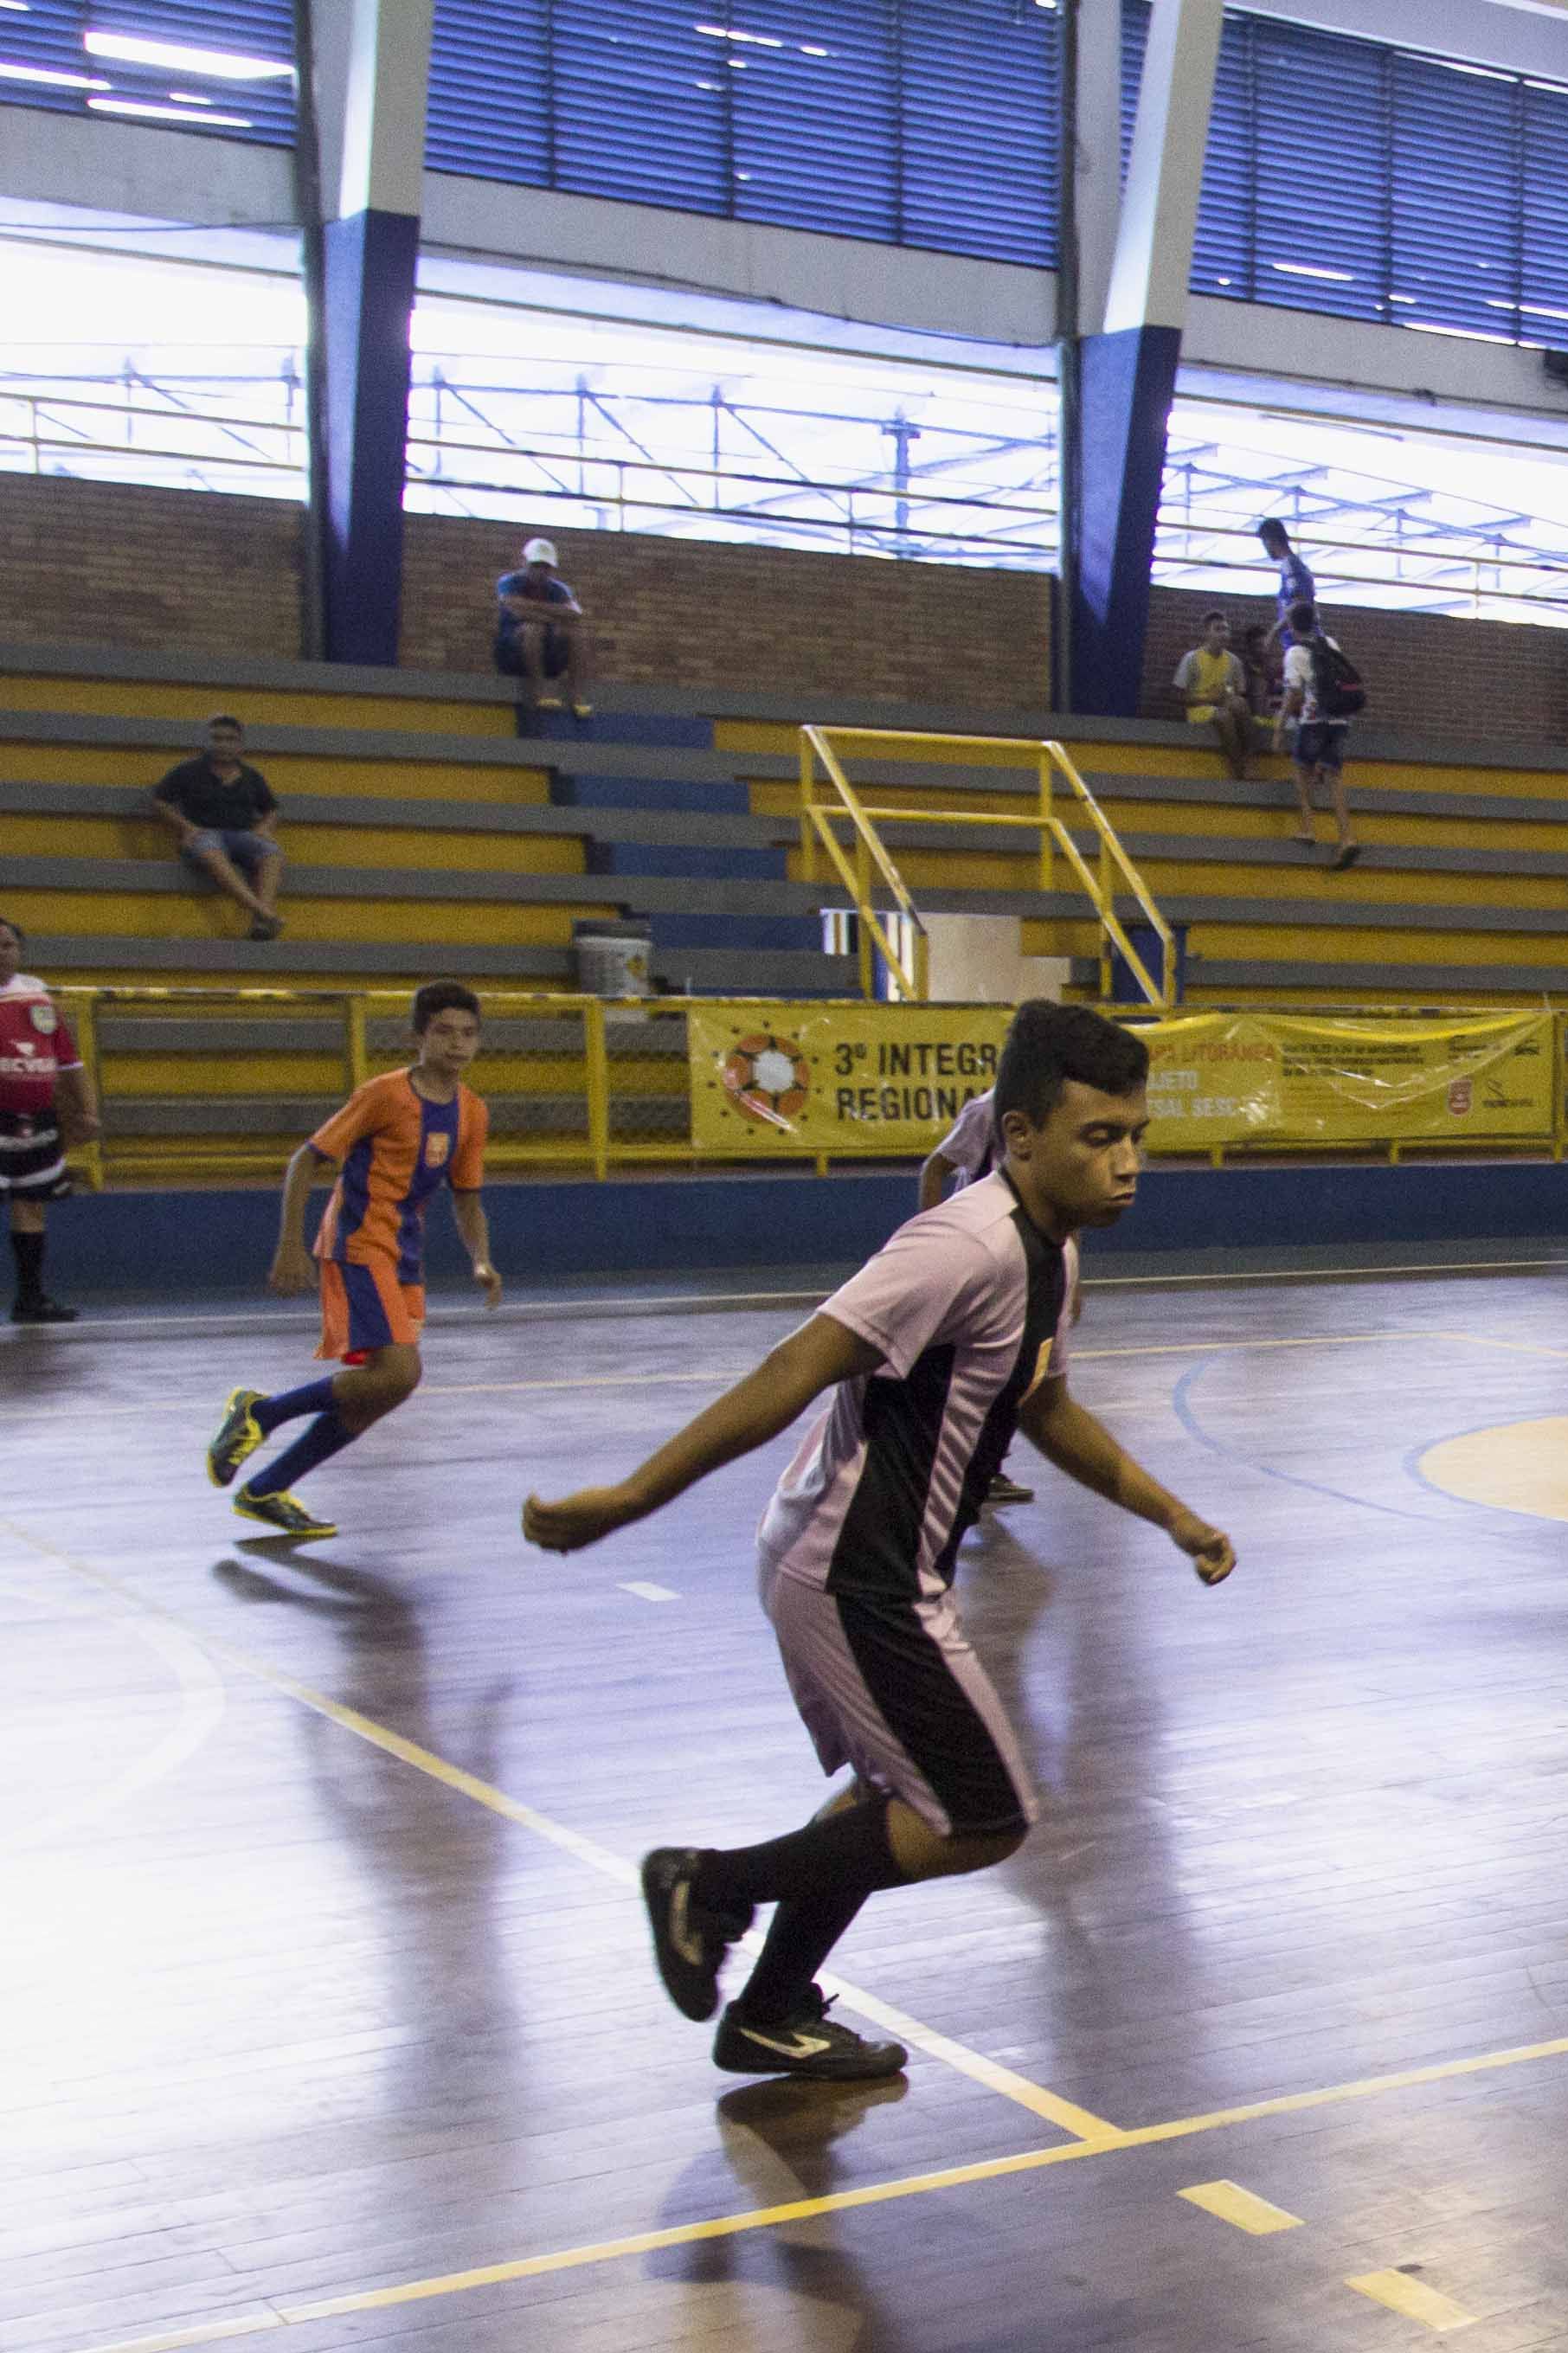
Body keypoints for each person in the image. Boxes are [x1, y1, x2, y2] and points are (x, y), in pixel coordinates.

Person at [518, 1001, 1236, 2086]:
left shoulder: (1055, 1248)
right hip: (852, 1570)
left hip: (880, 1564)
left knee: (895, 1792)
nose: (1127, 1161)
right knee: (983, 1815)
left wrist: (1169, 1513)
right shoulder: (963, 1244)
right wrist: (633, 1498)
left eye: (1136, 1135)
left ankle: (767, 2011)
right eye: (1100, 1137)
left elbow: (1041, 1407)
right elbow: (792, 1368)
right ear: (1022, 1134)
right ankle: (706, 1886)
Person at [207, 983, 504, 1538]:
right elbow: (306, 1160)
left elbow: (467, 1196)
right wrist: (290, 1244)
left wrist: (480, 1259)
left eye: (468, 1033)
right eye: (443, 1031)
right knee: (400, 1370)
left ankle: (266, 1488)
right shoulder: (384, 1095)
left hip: (404, 1253)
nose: (457, 1043)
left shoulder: (473, 1112)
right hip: (357, 1243)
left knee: (389, 1387)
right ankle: (258, 1413)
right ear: (417, 1036)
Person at [916, 1090, 1034, 1504]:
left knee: (1020, 1373)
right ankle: (948, 1472)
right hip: (982, 1253)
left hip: (1027, 1256)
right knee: (970, 1372)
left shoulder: (1058, 1108)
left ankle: (986, 1471)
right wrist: (932, 1244)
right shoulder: (988, 1110)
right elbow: (935, 1169)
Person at [0, 914, 100, 1322]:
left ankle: (30, 1299)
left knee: (30, 1207)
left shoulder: (39, 999)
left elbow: (70, 1062)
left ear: (20, 951)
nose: (1, 953)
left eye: (7, 945)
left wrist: (88, 1111)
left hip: (36, 1124)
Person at [151, 715, 286, 942]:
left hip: (242, 835)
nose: (223, 744)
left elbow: (272, 809)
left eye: (230, 739)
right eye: (217, 738)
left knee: (272, 853)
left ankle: (262, 917)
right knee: (211, 851)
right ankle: (264, 913)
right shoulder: (189, 771)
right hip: (205, 833)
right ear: (208, 741)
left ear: (240, 744)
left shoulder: (251, 776)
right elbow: (159, 801)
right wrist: (186, 828)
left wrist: (264, 829)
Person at [1282, 623, 1365, 870]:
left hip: (1314, 719)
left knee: (1300, 768)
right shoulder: (1329, 643)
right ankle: (1347, 838)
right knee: (1334, 778)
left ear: (1292, 628)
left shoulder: (1294, 652)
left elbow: (1295, 694)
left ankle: (1307, 827)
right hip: (1340, 719)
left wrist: (1279, 728)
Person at [498, 539, 593, 719]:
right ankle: (539, 690)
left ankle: (577, 694)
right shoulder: (510, 582)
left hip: (548, 651)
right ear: (525, 563)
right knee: (534, 629)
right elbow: (516, 611)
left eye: (545, 567)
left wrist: (532, 609)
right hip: (511, 652)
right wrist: (554, 616)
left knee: (577, 634)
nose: (540, 572)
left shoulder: (558, 589)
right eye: (536, 566)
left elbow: (575, 614)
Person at [1172, 611, 1261, 778]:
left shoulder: (1234, 661)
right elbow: (1179, 697)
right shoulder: (1191, 658)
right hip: (1199, 708)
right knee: (1224, 716)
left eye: (1226, 629)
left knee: (1239, 704)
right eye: (1218, 629)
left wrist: (1226, 698)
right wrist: (1209, 698)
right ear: (1206, 633)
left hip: (1225, 703)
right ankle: (1237, 765)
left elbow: (1240, 694)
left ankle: (1251, 759)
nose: (1224, 634)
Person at [1256, 516, 1318, 653]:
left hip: (1301, 644)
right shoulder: (1302, 567)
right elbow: (1313, 606)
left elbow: (1299, 605)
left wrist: (1273, 633)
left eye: (1264, 542)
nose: (1265, 548)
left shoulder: (1289, 565)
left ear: (1271, 540)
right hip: (1309, 641)